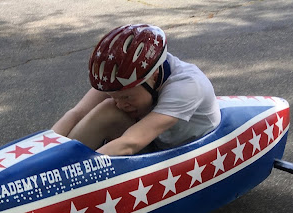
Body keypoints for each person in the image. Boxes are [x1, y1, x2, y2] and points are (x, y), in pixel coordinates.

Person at [52, 24, 221, 156]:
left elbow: (131, 142)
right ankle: (56, 162)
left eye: (127, 97)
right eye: (114, 96)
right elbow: (76, 114)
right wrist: (42, 154)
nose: (120, 104)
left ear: (153, 75)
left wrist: (75, 172)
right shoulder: (123, 79)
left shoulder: (187, 86)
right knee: (107, 110)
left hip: (186, 150)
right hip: (156, 142)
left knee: (114, 119)